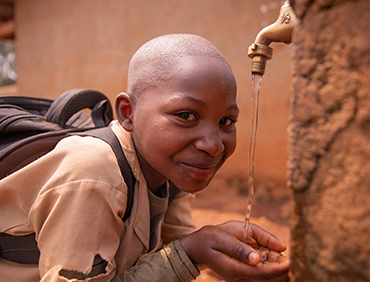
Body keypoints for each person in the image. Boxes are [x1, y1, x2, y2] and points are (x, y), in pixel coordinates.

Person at [0, 33, 290, 282]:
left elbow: (172, 248)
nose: (212, 145)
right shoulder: (93, 174)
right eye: (186, 115)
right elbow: (180, 255)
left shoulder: (169, 172)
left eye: (226, 121)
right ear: (128, 113)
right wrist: (191, 253)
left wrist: (222, 254)